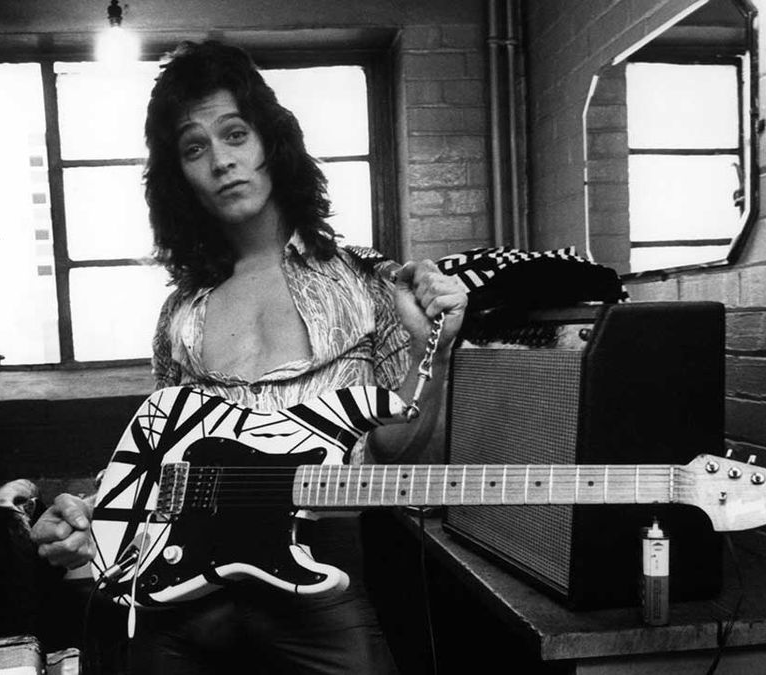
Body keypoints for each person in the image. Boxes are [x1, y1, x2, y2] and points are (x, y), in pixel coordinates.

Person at [30, 40, 467, 674]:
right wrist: (88, 522)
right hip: (178, 602)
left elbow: (404, 450)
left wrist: (436, 350)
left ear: (271, 141)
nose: (222, 162)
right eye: (194, 147)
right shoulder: (181, 313)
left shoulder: (367, 281)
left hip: (321, 575)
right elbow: (158, 464)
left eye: (235, 134)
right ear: (180, 176)